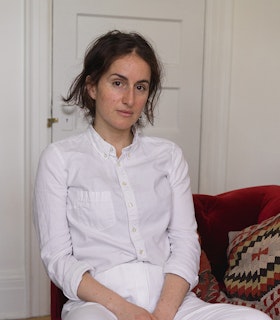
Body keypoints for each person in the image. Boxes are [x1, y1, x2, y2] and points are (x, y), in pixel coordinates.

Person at [33, 30, 271, 320]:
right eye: (118, 83)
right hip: (99, 306)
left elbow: (186, 244)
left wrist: (163, 312)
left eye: (141, 87)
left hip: (171, 302)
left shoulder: (168, 156)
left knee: (255, 319)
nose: (129, 99)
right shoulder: (60, 159)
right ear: (92, 87)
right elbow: (58, 259)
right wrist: (125, 310)